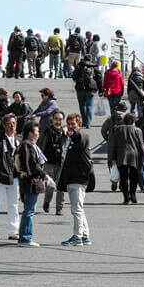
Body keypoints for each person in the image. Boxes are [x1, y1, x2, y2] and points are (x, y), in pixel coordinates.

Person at [57, 114, 93, 246]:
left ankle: (77, 236)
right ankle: (85, 235)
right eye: (69, 124)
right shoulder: (69, 140)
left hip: (79, 177)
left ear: (79, 125)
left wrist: (71, 132)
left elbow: (78, 137)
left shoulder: (81, 136)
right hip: (72, 178)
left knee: (76, 209)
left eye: (74, 124)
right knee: (79, 208)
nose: (71, 126)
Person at [15, 120, 48, 246]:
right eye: (36, 131)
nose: (38, 133)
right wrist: (43, 174)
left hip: (29, 180)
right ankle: (25, 237)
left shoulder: (30, 144)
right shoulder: (26, 145)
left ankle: (24, 236)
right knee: (29, 210)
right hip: (30, 181)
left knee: (28, 209)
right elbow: (32, 164)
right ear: (30, 133)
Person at [108, 107, 144, 204]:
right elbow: (141, 146)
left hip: (121, 155)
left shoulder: (118, 129)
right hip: (134, 156)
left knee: (123, 178)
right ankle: (133, 194)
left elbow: (114, 144)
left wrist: (113, 157)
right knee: (134, 177)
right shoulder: (138, 130)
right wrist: (143, 157)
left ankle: (126, 197)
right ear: (133, 121)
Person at [39, 111, 67, 215]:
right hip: (49, 162)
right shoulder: (46, 132)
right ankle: (47, 202)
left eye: (60, 119)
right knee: (50, 186)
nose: (58, 122)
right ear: (52, 119)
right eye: (56, 119)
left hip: (61, 163)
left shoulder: (65, 132)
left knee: (60, 186)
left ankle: (59, 208)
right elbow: (39, 145)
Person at [72, 56, 98, 128]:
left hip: (80, 88)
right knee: (89, 106)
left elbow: (73, 76)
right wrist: (100, 89)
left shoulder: (79, 66)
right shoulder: (93, 67)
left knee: (82, 106)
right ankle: (88, 123)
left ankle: (84, 121)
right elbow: (99, 78)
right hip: (91, 89)